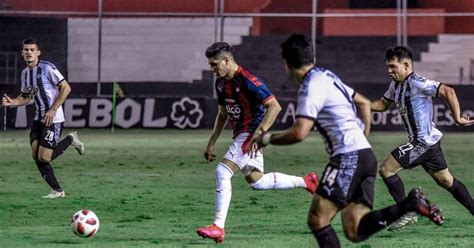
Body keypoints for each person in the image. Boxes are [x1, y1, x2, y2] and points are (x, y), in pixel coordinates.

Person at [252, 34, 444, 247]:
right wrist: (363, 139)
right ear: (311, 57)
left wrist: (266, 139)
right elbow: (362, 102)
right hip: (365, 157)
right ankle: (409, 204)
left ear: (286, 64)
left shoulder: (310, 86)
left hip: (348, 158)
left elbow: (299, 132)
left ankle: (410, 204)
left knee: (318, 219)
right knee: (354, 230)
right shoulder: (327, 75)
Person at [196, 42, 319, 244]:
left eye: (215, 64)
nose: (212, 69)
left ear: (227, 60)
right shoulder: (220, 83)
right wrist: (211, 143)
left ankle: (218, 226)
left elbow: (274, 106)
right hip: (241, 136)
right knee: (258, 181)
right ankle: (306, 182)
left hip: (250, 134)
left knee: (222, 171)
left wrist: (259, 134)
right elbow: (222, 115)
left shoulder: (247, 79)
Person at [371, 45, 474, 231]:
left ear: (406, 65)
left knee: (386, 169)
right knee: (446, 181)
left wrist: (458, 118)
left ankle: (407, 212)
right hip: (429, 143)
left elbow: (448, 91)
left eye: (393, 66)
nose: (389, 71)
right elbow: (382, 105)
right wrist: (359, 104)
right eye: (388, 66)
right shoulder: (395, 85)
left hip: (423, 143)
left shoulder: (417, 82)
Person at [1, 38, 84, 198]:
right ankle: (57, 191)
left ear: (38, 52)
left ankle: (71, 139)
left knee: (44, 157)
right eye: (26, 50)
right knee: (35, 154)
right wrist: (13, 102)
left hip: (53, 119)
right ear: (22, 53)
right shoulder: (25, 73)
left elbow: (66, 88)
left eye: (32, 50)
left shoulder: (47, 68)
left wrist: (53, 109)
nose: (29, 53)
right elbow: (26, 97)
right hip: (39, 119)